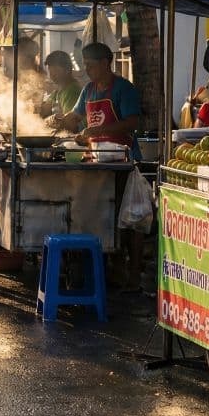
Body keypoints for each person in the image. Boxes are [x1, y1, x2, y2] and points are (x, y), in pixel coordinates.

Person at [55, 42, 145, 291]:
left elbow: (133, 122)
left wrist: (99, 130)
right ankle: (113, 270)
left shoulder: (124, 89)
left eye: (90, 65)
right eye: (85, 65)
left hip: (124, 162)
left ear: (106, 63)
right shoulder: (89, 89)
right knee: (103, 216)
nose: (87, 70)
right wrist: (61, 120)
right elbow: (76, 115)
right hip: (98, 161)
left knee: (128, 219)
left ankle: (134, 276)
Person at [41, 51, 83, 127]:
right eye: (50, 71)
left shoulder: (72, 91)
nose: (52, 75)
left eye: (55, 71)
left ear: (67, 70)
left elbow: (70, 124)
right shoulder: (58, 90)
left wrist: (48, 121)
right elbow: (45, 110)